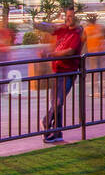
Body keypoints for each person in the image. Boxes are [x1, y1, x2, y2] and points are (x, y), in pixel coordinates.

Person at [36, 8, 84, 142]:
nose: (68, 18)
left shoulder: (76, 33)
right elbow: (49, 28)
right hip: (57, 70)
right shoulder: (63, 29)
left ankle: (46, 122)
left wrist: (50, 55)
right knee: (56, 102)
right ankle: (56, 133)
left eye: (71, 16)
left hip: (68, 71)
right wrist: (36, 22)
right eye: (67, 16)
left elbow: (70, 51)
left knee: (58, 101)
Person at [82, 15, 105, 97]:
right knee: (103, 72)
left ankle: (96, 92)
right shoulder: (100, 27)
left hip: (92, 53)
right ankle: (104, 91)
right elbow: (103, 38)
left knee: (94, 73)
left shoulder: (86, 29)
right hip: (101, 51)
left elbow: (83, 40)